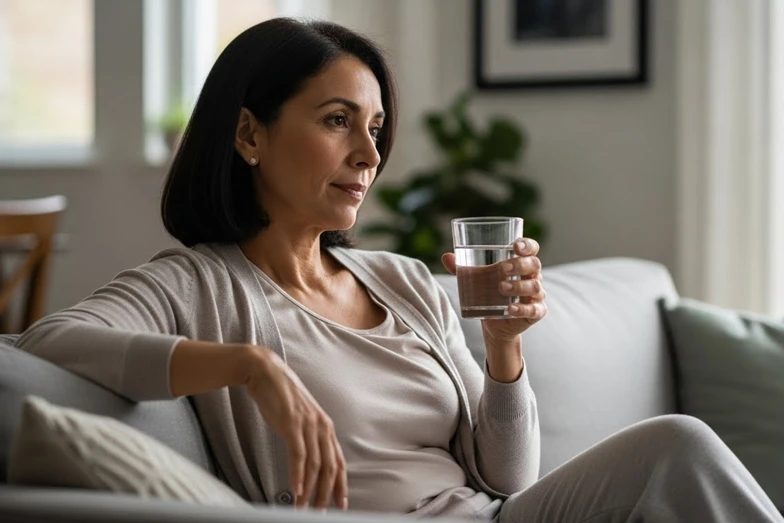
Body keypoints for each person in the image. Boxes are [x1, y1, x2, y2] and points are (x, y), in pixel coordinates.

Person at [17, 18, 781, 523]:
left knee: (675, 447)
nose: (370, 155)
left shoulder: (403, 282)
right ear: (249, 132)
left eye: (376, 128)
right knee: (678, 445)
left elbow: (508, 478)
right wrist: (251, 366)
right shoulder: (197, 285)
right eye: (337, 120)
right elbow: (51, 340)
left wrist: (506, 352)